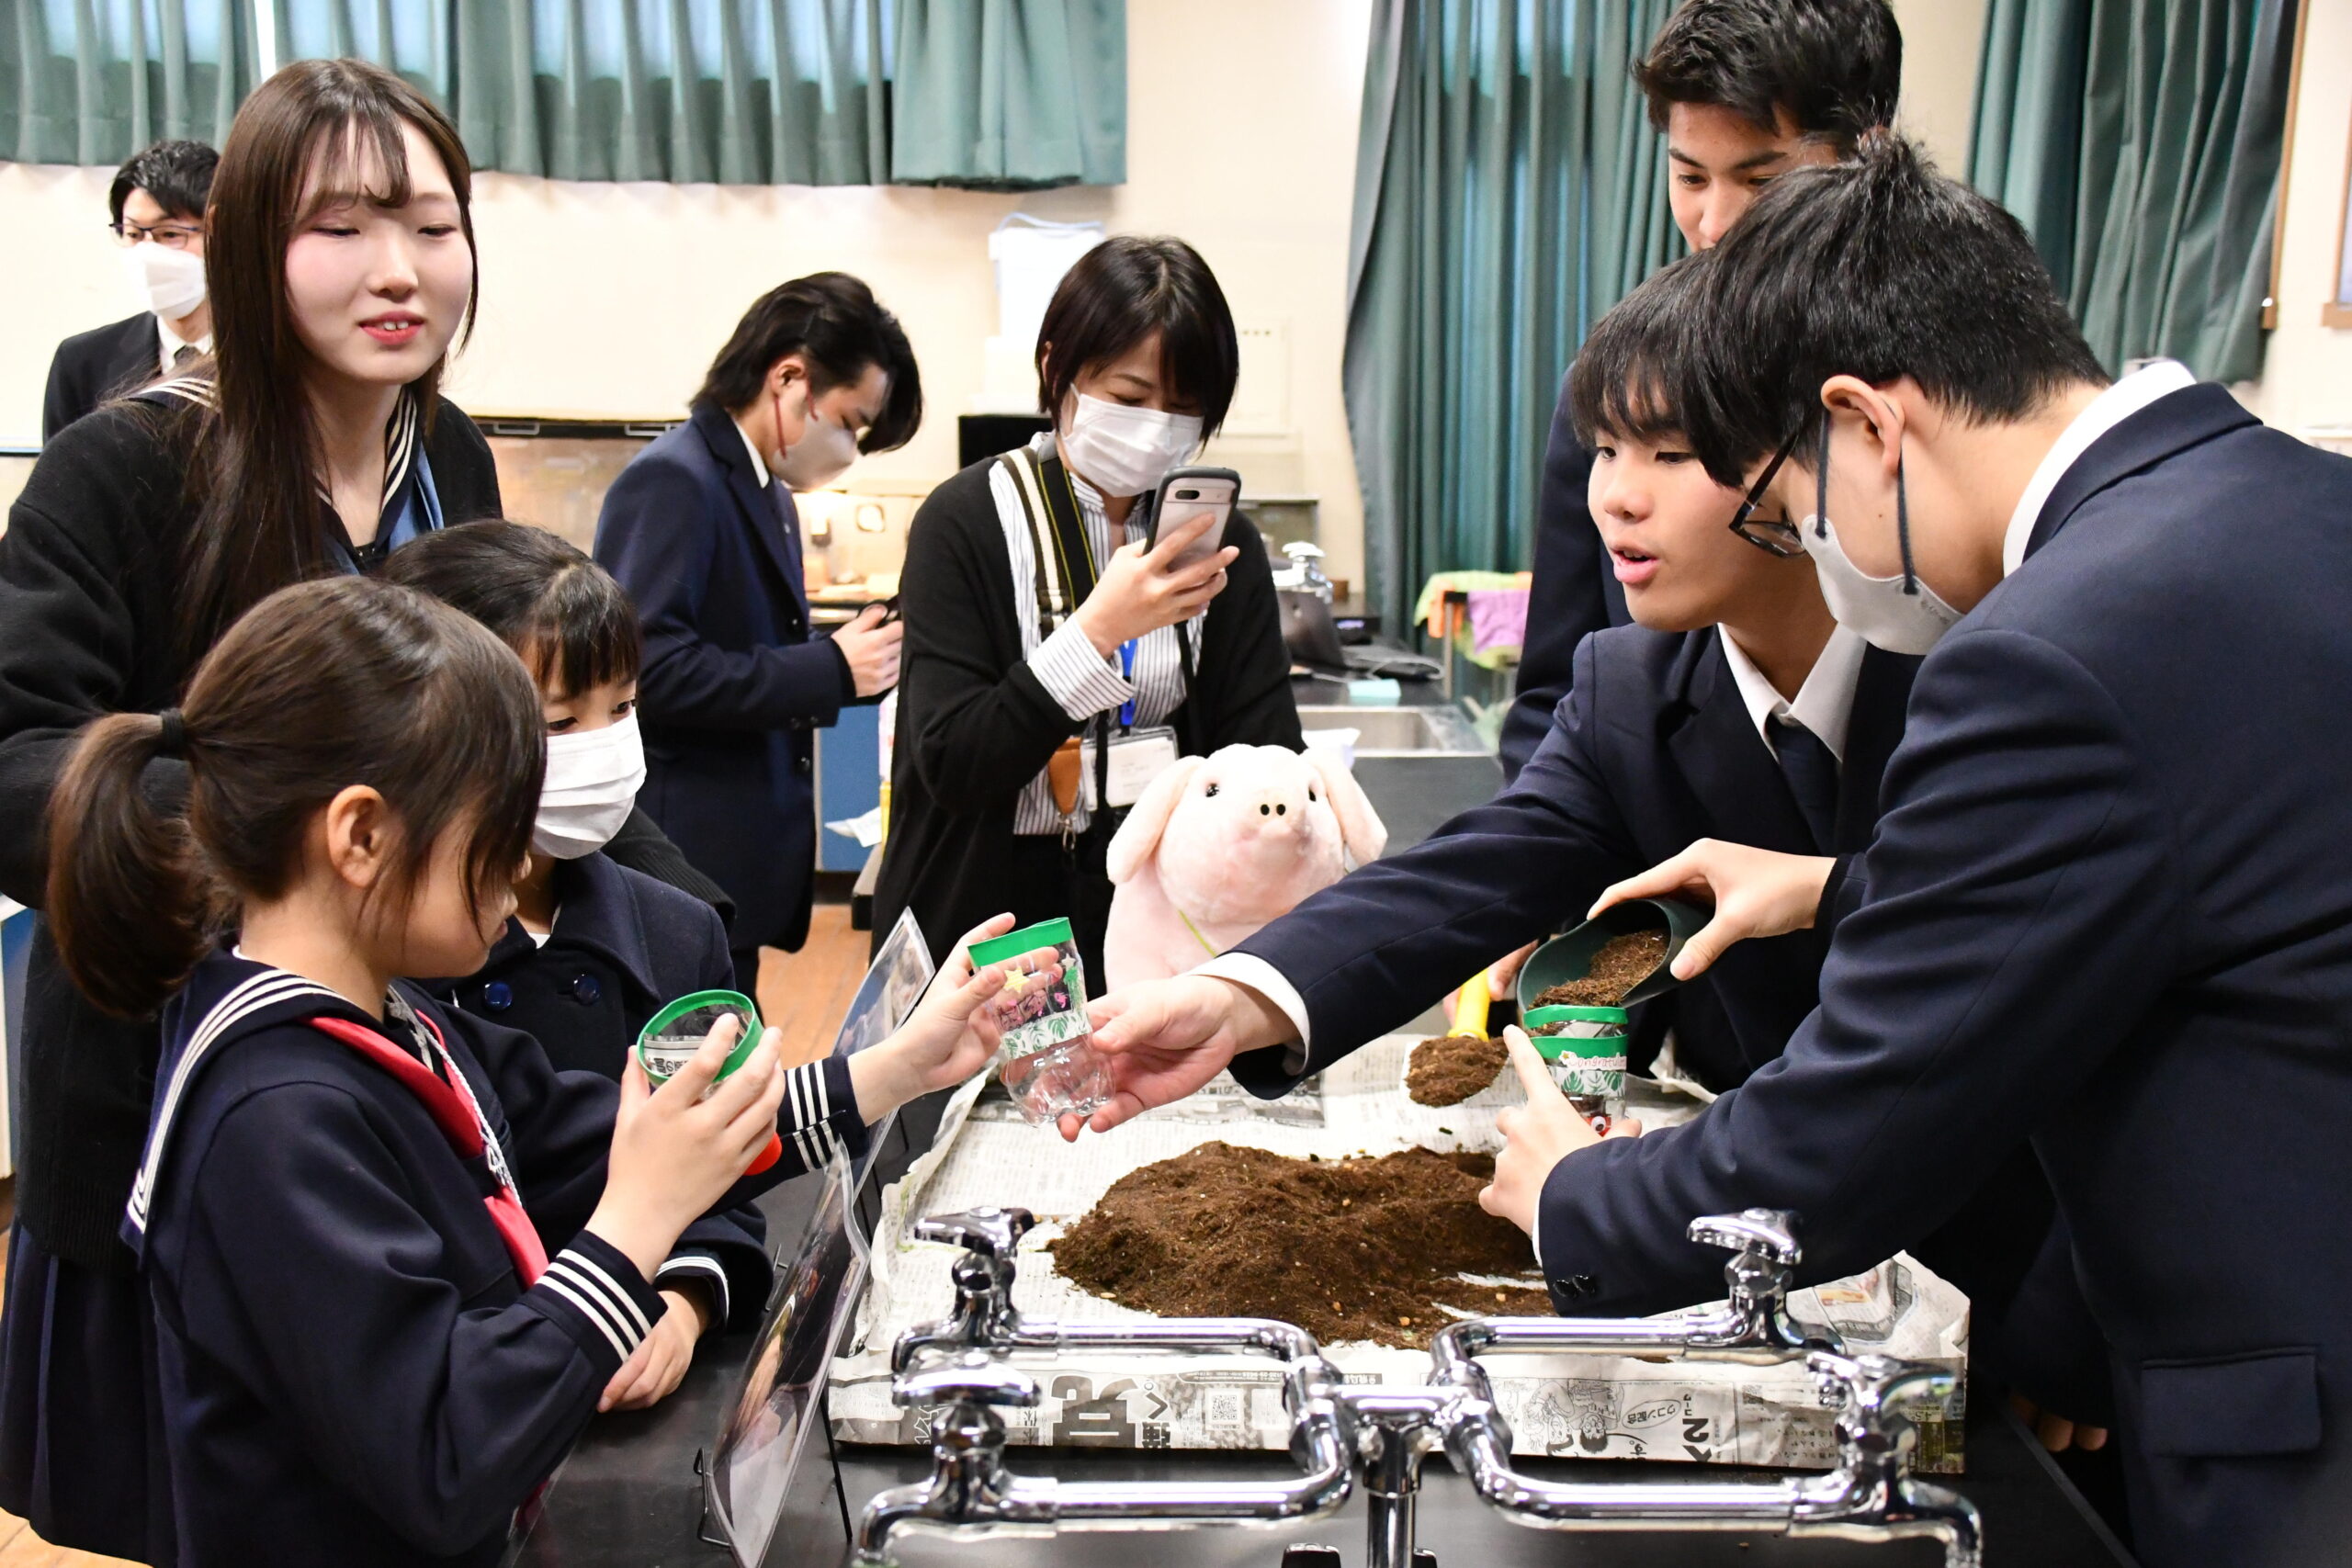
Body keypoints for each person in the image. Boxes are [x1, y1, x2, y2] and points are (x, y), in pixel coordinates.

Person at [1111, 136, 2352, 1565]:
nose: (1629, 501)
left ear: (1862, 424)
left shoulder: (2041, 650)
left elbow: (1874, 1101)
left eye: (1778, 492)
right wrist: (1246, 992)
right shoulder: (2279, 505)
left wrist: (1580, 1192)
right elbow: (2205, 894)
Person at [1067, 254, 2058, 1395]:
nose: (1612, 498)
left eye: (1669, 455)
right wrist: (1236, 995)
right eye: (1602, 449)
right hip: (1766, 1265)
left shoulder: (1979, 674)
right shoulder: (1629, 685)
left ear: (1803, 465)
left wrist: (2067, 1323)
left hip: (2013, 1285)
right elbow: (1470, 877)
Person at [0, 57, 691, 1560]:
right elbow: (16, 753)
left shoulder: (443, 456)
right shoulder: (128, 465)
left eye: (434, 225)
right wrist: (271, 835)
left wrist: (672, 914)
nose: (399, 270)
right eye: (342, 226)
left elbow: (496, 729)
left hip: (400, 1075)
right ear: (249, 244)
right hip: (182, 1092)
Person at [42, 574, 1016, 1565]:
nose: (519, 871)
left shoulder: (397, 1020)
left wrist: (890, 1070)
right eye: (496, 836)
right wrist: (632, 1229)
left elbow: (617, 1136)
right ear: (363, 836)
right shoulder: (275, 1118)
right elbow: (449, 1454)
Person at [381, 521, 764, 1413]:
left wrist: (682, 1307)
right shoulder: (392, 982)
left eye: (622, 708)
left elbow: (723, 1172)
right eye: (558, 722)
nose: (600, 747)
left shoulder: (675, 929)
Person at [875, 235, 1301, 989]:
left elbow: (1264, 752)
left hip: (1161, 915)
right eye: (1130, 398)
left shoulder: (1221, 540)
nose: (1156, 427)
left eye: (1185, 408)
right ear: (1056, 369)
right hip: (989, 914)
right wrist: (1098, 632)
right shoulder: (964, 520)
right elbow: (954, 764)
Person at [1499, 0, 1901, 781]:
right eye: (1689, 177)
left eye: (1762, 178)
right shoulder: (1629, 377)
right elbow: (1555, 691)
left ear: (1868, 152)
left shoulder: (1934, 392)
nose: (1716, 224)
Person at [595, 274, 920, 993]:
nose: (849, 446)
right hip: (683, 863)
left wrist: (850, 665)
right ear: (789, 376)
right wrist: (830, 669)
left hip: (735, 870)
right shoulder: (677, 480)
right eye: (849, 421)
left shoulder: (764, 488)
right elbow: (644, 672)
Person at [42, 140, 220, 441]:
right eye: (134, 234)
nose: (147, 253)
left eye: (170, 234)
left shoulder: (276, 354)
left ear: (219, 229)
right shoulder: (82, 362)